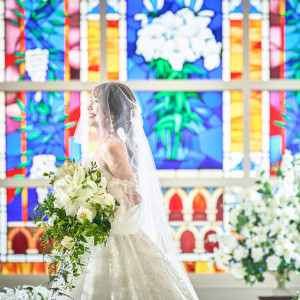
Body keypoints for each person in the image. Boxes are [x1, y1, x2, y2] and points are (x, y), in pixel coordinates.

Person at [56, 81, 199, 299]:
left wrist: (99, 212)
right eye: (90, 101)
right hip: (97, 234)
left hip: (110, 235)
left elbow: (133, 197)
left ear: (111, 114)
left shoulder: (112, 146)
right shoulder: (104, 145)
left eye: (95, 102)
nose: (88, 107)